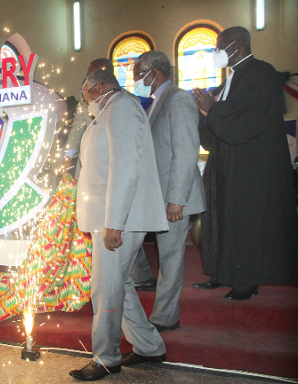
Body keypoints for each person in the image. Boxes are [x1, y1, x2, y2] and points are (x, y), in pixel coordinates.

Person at [69, 69, 168, 381]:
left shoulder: (121, 108)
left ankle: (106, 356)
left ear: (98, 87)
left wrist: (115, 223)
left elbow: (125, 168)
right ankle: (149, 346)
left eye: (85, 93)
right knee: (120, 285)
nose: (85, 100)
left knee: (105, 289)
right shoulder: (109, 111)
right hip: (110, 216)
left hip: (118, 219)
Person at [192, 26, 298, 300]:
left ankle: (246, 280)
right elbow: (222, 114)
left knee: (245, 222)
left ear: (236, 45)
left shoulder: (261, 73)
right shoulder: (231, 78)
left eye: (219, 47)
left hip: (249, 165)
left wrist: (212, 109)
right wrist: (207, 111)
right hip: (225, 161)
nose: (216, 54)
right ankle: (222, 273)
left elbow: (245, 119)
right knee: (220, 219)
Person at [128, 51, 205, 332]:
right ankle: (162, 314)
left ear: (155, 72)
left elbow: (186, 151)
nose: (136, 80)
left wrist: (177, 199)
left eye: (139, 74)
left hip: (174, 197)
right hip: (158, 195)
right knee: (164, 255)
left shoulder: (178, 98)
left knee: (171, 258)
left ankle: (165, 317)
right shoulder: (157, 101)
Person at [60, 59, 114, 175]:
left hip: (111, 164)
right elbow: (78, 127)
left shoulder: (126, 101)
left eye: (92, 75)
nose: (88, 79)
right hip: (89, 163)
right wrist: (68, 157)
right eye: (88, 75)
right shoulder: (85, 99)